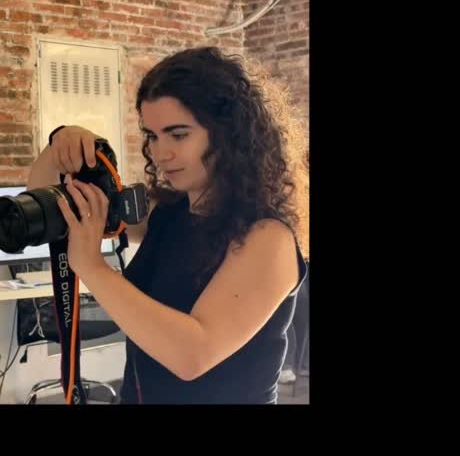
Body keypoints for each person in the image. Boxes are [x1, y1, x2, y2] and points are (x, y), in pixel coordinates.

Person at [26, 46, 307, 404]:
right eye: (153, 136)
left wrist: (93, 268)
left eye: (178, 134)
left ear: (228, 134)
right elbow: (48, 205)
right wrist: (61, 144)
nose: (161, 153)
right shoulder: (164, 210)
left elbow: (193, 355)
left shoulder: (267, 238)